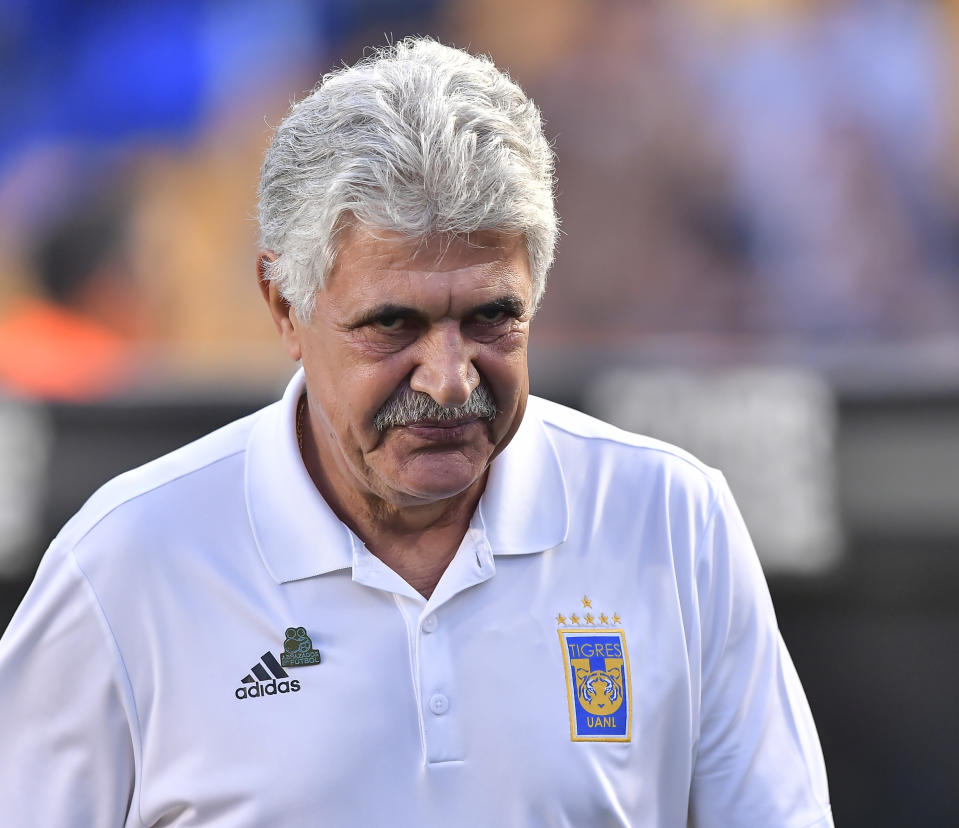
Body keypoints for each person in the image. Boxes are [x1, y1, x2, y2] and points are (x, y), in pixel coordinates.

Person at [0, 38, 832, 826]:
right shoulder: (128, 564)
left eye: (491, 317)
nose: (449, 377)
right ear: (284, 303)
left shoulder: (672, 523)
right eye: (393, 323)